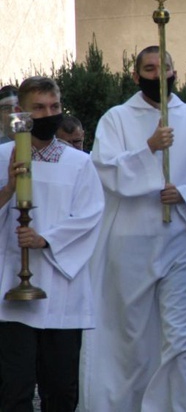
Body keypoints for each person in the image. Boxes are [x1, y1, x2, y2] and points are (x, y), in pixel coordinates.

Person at [80, 46, 186, 411]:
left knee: (183, 338)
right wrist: (149, 149)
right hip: (131, 244)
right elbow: (105, 171)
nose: (159, 74)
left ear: (176, 72)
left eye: (165, 67)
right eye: (150, 68)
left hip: (183, 241)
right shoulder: (116, 119)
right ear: (135, 74)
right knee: (133, 341)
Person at [0, 76, 104, 411]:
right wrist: (10, 187)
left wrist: (46, 239)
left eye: (54, 106)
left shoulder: (79, 163)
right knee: (14, 391)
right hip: (10, 292)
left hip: (61, 291)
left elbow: (90, 218)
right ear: (21, 112)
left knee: (60, 392)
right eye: (39, 108)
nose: (49, 113)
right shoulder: (2, 157)